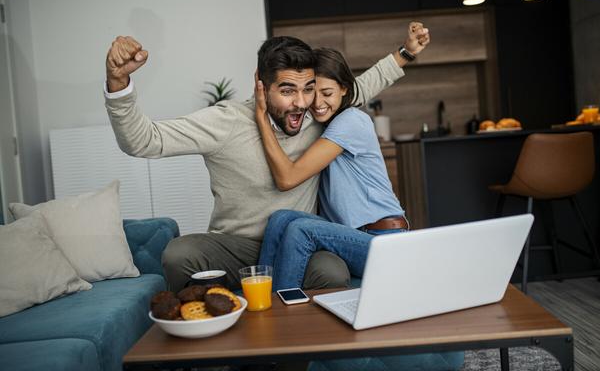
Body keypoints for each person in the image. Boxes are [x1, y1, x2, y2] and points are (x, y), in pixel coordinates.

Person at [103, 34, 405, 292]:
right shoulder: (225, 122)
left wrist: (406, 53)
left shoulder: (317, 112)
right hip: (235, 246)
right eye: (287, 91)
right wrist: (119, 83)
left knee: (332, 272)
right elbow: (144, 140)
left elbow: (356, 87)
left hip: (298, 242)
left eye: (309, 88)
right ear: (261, 85)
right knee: (179, 254)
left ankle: (294, 357)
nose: (301, 102)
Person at [256, 23, 430, 291]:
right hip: (351, 234)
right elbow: (372, 79)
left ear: (345, 90)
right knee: (281, 218)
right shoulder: (321, 122)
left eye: (327, 94)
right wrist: (404, 52)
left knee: (301, 229)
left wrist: (262, 117)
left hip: (384, 239)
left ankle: (279, 311)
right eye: (314, 93)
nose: (318, 103)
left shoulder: (351, 120)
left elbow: (288, 177)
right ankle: (262, 295)